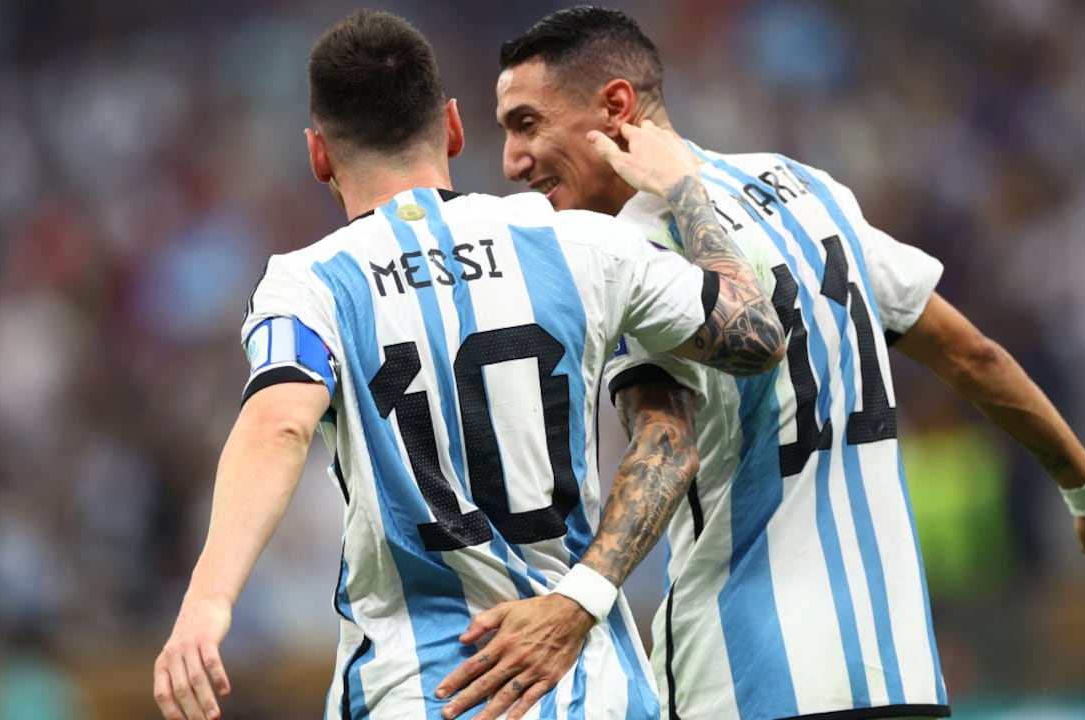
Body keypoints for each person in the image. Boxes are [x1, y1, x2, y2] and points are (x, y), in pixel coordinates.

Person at [435, 6, 1085, 720]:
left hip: (746, 675)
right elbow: (970, 352)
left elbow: (667, 444)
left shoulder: (626, 250)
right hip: (897, 671)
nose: (511, 161)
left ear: (616, 106)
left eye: (526, 125)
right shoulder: (807, 187)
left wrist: (577, 602)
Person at [151, 9, 787, 720]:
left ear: (318, 155)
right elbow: (758, 332)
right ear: (453, 127)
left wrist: (208, 603)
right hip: (591, 689)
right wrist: (686, 189)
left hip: (420, 692)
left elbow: (278, 426)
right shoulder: (579, 245)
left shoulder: (309, 284)